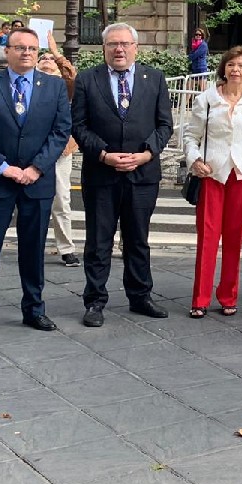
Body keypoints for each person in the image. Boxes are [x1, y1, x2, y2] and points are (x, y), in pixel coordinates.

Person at [0, 28, 72, 336]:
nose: (26, 53)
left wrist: (37, 168)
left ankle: (34, 309)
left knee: (34, 247)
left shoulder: (54, 87)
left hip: (37, 182)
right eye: (20, 47)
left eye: (32, 48)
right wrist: (3, 168)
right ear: (7, 51)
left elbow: (60, 131)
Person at [72, 23, 174, 327]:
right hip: (101, 173)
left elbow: (165, 125)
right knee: (99, 241)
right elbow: (78, 125)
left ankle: (140, 296)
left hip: (142, 174)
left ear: (135, 48)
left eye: (125, 44)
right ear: (104, 48)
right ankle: (95, 301)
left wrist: (146, 154)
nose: (119, 49)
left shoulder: (154, 79)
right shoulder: (87, 80)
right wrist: (103, 154)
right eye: (113, 44)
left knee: (138, 239)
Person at [184, 46, 242, 318]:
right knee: (207, 238)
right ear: (224, 68)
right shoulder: (207, 98)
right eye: (231, 64)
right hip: (212, 172)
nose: (235, 70)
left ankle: (228, 295)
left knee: (235, 239)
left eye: (241, 66)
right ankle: (200, 298)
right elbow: (190, 136)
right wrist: (195, 159)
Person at [36, 38, 80, 267]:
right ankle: (33, 244)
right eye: (42, 57)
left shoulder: (64, 86)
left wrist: (56, 52)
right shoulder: (29, 82)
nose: (47, 60)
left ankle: (66, 248)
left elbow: (72, 76)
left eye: (50, 59)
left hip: (61, 151)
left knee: (61, 199)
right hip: (32, 151)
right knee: (31, 200)